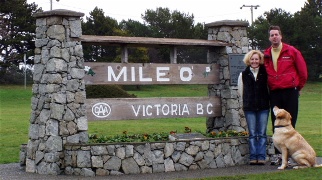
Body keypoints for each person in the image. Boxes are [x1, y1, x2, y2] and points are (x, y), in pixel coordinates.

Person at [263, 25, 308, 165]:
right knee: (276, 124)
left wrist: (298, 87)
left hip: (290, 91)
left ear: (280, 36)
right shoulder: (266, 54)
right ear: (269, 37)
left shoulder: (292, 51)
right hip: (275, 92)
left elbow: (303, 72)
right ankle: (279, 156)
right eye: (272, 35)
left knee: (290, 124)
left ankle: (290, 155)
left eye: (276, 34)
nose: (274, 37)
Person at [238, 50, 270, 165]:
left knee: (261, 133)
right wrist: (247, 102)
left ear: (260, 60)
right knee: (252, 134)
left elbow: (269, 88)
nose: (254, 61)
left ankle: (261, 156)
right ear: (248, 60)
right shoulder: (243, 74)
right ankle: (253, 157)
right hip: (250, 108)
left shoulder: (265, 73)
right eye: (252, 59)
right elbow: (241, 91)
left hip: (263, 107)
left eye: (256, 59)